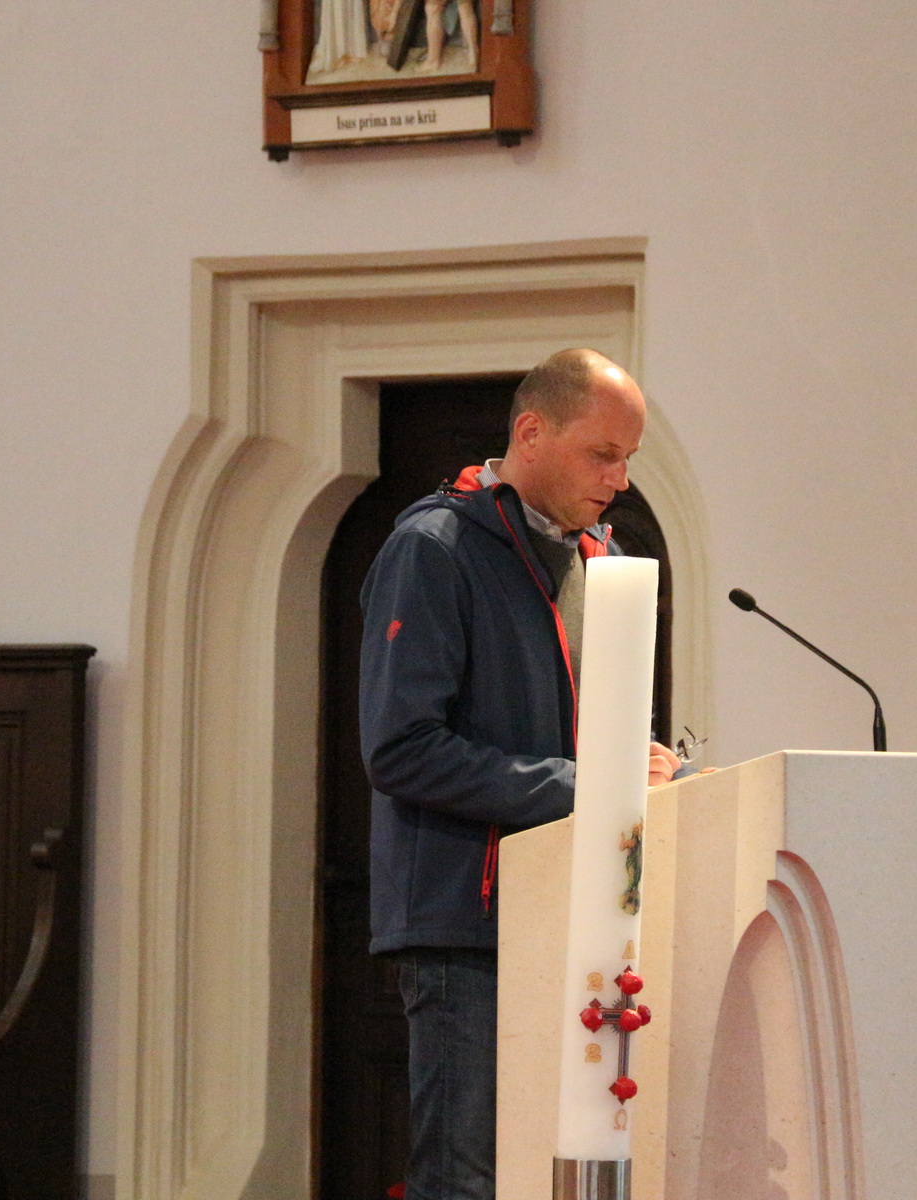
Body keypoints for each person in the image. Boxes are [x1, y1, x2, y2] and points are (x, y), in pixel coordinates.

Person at [360, 348, 681, 1199]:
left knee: (549, 1171)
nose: (619, 480)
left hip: (580, 917)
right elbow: (400, 747)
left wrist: (647, 763)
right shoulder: (435, 548)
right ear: (532, 432)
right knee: (465, 1177)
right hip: (466, 925)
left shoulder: (599, 556)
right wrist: (588, 785)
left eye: (628, 458)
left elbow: (583, 727)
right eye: (601, 454)